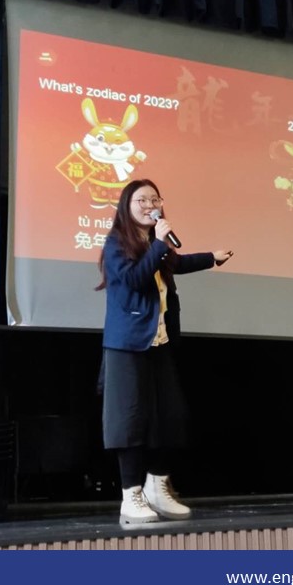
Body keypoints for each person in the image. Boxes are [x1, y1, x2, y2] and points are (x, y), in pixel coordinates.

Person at [96, 179, 233, 525]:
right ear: (126, 206)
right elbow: (134, 279)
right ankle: (131, 495)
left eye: (154, 199)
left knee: (169, 416)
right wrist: (159, 244)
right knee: (129, 420)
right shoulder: (116, 243)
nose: (149, 205)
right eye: (141, 200)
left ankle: (157, 486)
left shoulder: (155, 244)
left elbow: (177, 263)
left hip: (160, 341)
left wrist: (211, 259)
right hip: (127, 345)